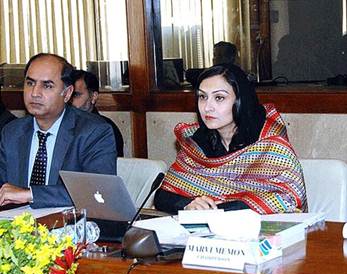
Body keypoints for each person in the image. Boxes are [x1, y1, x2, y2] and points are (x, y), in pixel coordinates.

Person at [154, 63, 306, 214]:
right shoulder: (196, 143)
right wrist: (189, 205)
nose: (207, 107)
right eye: (202, 97)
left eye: (219, 98)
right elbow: (163, 195)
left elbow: (288, 199)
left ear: (241, 100)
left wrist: (218, 210)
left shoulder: (270, 145)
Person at [0, 53, 117, 208]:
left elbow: (97, 192)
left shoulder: (94, 132)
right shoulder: (12, 132)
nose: (35, 93)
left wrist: (30, 194)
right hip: (17, 226)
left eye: (47, 86)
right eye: (30, 83)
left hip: (68, 226)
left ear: (67, 93)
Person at [70, 70, 124, 157]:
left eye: (76, 95)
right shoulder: (60, 125)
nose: (70, 101)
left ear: (93, 96)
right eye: (67, 94)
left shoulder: (104, 129)